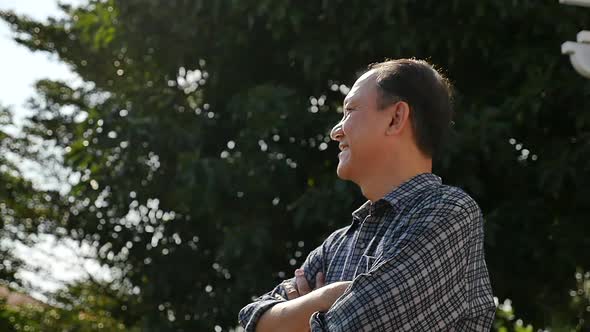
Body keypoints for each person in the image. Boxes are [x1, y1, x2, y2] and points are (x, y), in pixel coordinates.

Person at [238, 58, 496, 331]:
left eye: (349, 110)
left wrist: (295, 315)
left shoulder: (450, 212)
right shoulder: (336, 245)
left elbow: (356, 327)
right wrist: (327, 297)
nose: (335, 132)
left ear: (396, 118)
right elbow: (250, 320)